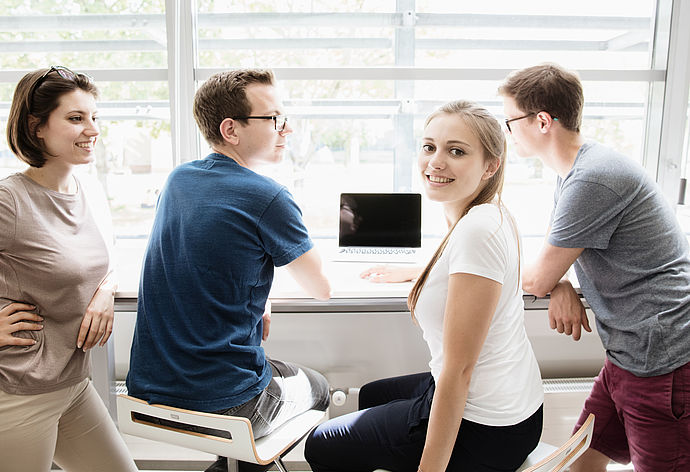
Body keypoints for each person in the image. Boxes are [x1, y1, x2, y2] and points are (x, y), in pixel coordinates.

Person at [305, 101, 544, 472]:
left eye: (457, 151)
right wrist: (420, 272)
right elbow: (473, 277)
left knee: (322, 445)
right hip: (519, 409)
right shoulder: (490, 212)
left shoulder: (477, 231)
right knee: (370, 395)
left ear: (491, 165)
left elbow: (459, 371)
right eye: (429, 146)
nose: (435, 162)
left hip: (486, 429)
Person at [126, 69, 331, 472]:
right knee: (319, 387)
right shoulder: (268, 196)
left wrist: (262, 294)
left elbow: (205, 256)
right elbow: (321, 288)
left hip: (150, 389)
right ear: (231, 129)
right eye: (273, 119)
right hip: (227, 399)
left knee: (250, 427)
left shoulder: (178, 179)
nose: (286, 129)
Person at [499, 63, 690, 472]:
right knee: (580, 460)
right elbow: (553, 265)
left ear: (543, 121)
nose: (507, 132)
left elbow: (537, 276)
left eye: (510, 121)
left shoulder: (593, 179)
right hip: (628, 356)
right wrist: (561, 285)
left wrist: (552, 282)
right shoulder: (575, 174)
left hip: (662, 360)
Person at [0, 66, 137, 472]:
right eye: (75, 118)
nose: (91, 129)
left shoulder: (85, 187)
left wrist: (106, 291)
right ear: (36, 126)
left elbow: (107, 259)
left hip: (73, 384)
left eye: (94, 117)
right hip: (20, 391)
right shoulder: (10, 201)